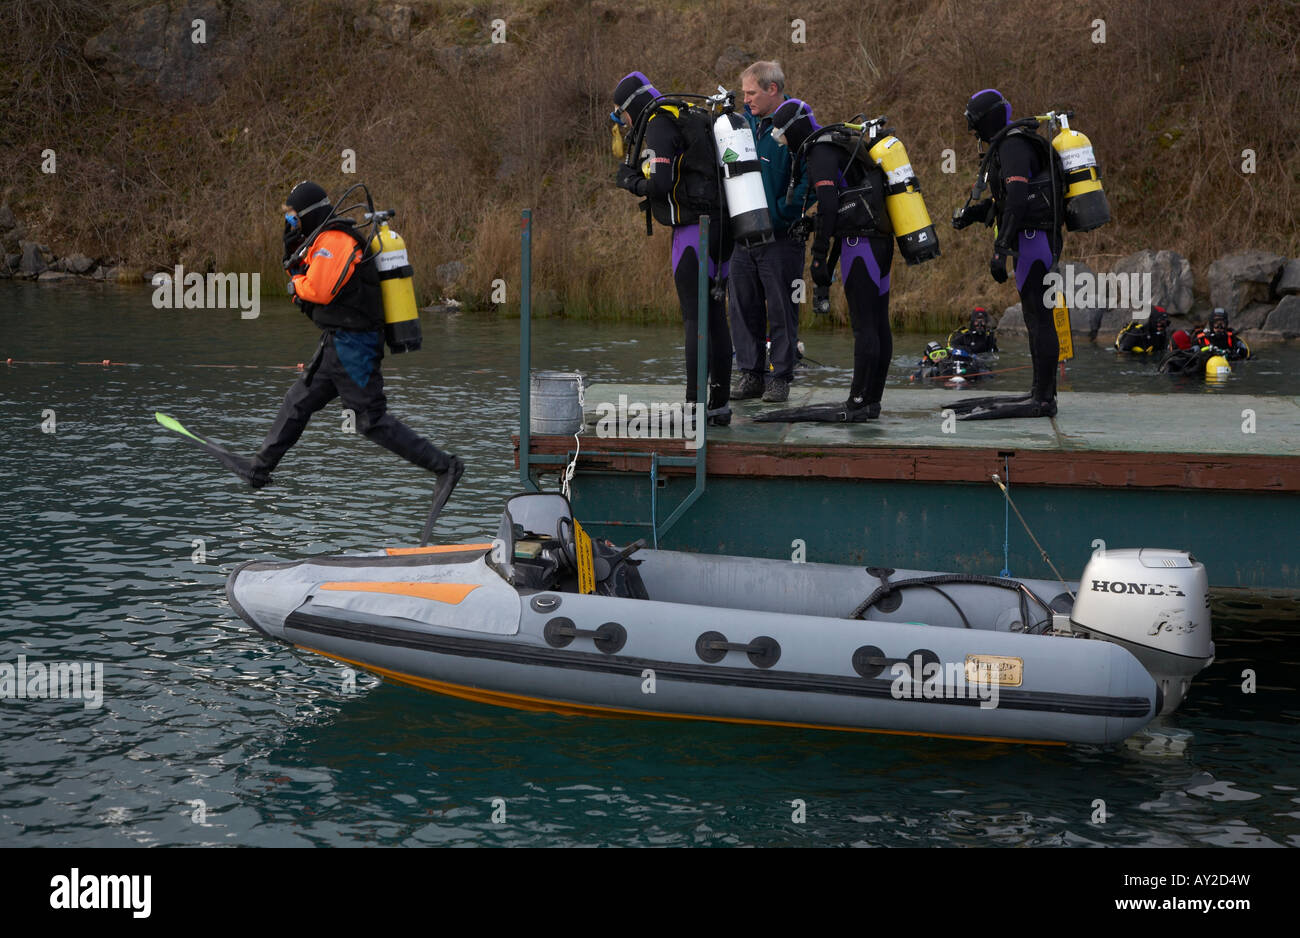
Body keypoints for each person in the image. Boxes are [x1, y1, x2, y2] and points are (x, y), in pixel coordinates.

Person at [222, 181, 463, 501]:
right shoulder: (321, 240)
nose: (289, 222)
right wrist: (295, 267)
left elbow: (319, 290)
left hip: (355, 346)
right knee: (298, 401)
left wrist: (295, 283)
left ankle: (445, 467)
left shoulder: (334, 240)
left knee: (369, 420)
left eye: (292, 215)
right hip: (339, 340)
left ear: (307, 213)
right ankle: (260, 468)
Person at [754, 99, 893, 423]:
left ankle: (857, 401)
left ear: (793, 130)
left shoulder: (818, 152)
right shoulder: (836, 145)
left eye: (781, 135)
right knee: (878, 323)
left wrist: (819, 257)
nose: (782, 142)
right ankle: (871, 401)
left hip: (860, 245)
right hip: (879, 241)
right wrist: (818, 228)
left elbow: (830, 206)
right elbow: (841, 203)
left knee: (864, 326)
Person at [613, 71, 732, 425]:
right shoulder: (692, 115)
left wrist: (631, 182)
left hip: (694, 231)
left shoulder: (659, 123)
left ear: (632, 105)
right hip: (725, 229)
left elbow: (661, 182)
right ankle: (719, 405)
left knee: (695, 320)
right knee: (716, 317)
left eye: (621, 112)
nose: (622, 121)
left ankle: (694, 406)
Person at [950, 89, 1063, 419]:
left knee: (1039, 319)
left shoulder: (1013, 145)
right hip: (1032, 240)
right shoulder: (1011, 144)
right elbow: (1006, 202)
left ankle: (1043, 399)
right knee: (1033, 317)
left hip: (1034, 242)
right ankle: (1039, 391)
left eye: (974, 125)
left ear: (987, 121)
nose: (974, 133)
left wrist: (1001, 250)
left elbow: (1017, 198)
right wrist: (975, 214)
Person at [726, 61, 809, 404]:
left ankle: (781, 378)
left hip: (782, 237)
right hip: (743, 233)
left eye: (751, 92)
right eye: (744, 92)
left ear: (772, 89)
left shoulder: (797, 120)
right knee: (742, 305)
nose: (745, 99)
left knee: (782, 308)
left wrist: (781, 213)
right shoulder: (744, 124)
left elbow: (811, 180)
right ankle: (751, 374)